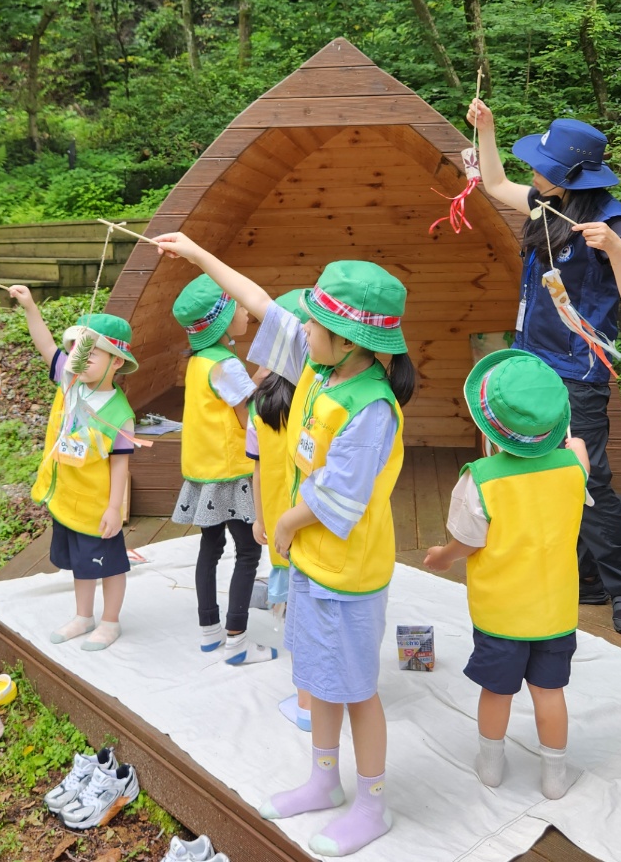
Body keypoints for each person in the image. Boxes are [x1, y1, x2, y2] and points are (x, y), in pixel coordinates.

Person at [155, 233, 414, 859]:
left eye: (315, 321)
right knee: (319, 678)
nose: (301, 326)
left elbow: (339, 498)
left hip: (346, 572)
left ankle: (372, 803)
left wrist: (287, 524)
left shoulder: (371, 408)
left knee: (357, 690)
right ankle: (325, 778)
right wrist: (197, 254)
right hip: (311, 564)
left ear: (348, 340)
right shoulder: (322, 367)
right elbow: (259, 301)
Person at [468, 100, 621, 636]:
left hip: (576, 371)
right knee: (541, 469)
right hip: (531, 361)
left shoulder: (610, 220)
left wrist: (616, 250)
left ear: (571, 175)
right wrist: (487, 130)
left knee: (587, 476)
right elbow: (494, 183)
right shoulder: (549, 203)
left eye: (542, 166)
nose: (533, 172)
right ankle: (586, 576)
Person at [424, 349, 590, 799]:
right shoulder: (574, 467)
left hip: (500, 613)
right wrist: (575, 445)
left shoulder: (480, 478)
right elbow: (579, 456)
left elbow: (467, 542)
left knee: (497, 691)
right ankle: (554, 776)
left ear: (487, 428)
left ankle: (492, 765)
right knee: (549, 691)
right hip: (555, 611)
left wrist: (443, 557)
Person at [10, 288, 137, 652]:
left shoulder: (120, 414)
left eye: (90, 354)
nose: (78, 361)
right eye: (75, 352)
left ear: (116, 362)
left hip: (97, 507)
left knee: (109, 566)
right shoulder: (70, 381)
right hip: (67, 499)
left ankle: (110, 621)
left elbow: (120, 465)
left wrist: (114, 508)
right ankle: (83, 616)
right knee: (81, 565)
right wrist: (30, 306)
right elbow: (45, 346)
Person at [170, 274, 274, 666]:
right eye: (238, 307)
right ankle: (237, 641)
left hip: (204, 470)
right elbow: (248, 418)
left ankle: (210, 631)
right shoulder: (227, 363)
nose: (247, 311)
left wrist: (254, 380)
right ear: (222, 319)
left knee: (210, 548)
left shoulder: (201, 361)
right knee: (248, 552)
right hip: (232, 473)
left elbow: (225, 402)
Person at [247, 289, 316, 723]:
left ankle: (305, 689)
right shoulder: (320, 400)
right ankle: (312, 697)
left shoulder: (260, 403)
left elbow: (256, 470)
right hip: (314, 521)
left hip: (277, 519)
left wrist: (260, 516)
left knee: (294, 601)